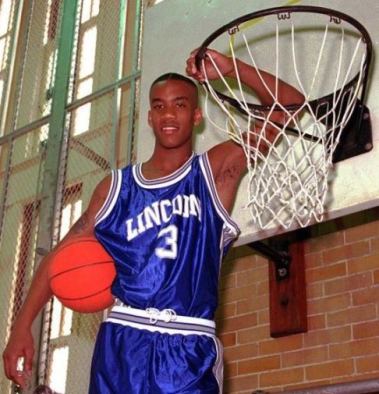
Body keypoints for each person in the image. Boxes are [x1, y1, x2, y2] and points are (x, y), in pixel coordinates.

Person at [3, 49, 304, 393]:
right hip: (122, 343)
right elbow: (60, 258)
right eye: (159, 106)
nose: (168, 114)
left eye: (179, 104)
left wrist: (230, 68)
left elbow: (290, 107)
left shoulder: (214, 172)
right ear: (149, 117)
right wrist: (21, 326)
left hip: (188, 345)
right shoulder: (115, 189)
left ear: (196, 116)